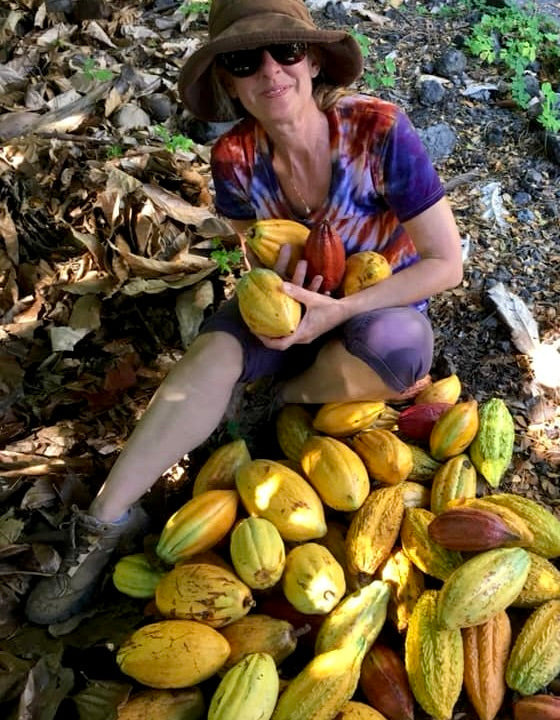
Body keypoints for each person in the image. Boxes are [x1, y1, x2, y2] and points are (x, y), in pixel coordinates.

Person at [25, 0, 464, 625]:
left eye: (285, 51)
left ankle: (276, 401)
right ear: (228, 81)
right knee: (210, 356)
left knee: (401, 344)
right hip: (285, 298)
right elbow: (251, 251)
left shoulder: (378, 131)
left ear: (311, 60)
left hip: (372, 310)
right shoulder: (234, 157)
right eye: (243, 59)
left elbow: (446, 264)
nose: (270, 71)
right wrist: (272, 298)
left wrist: (336, 312)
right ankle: (102, 524)